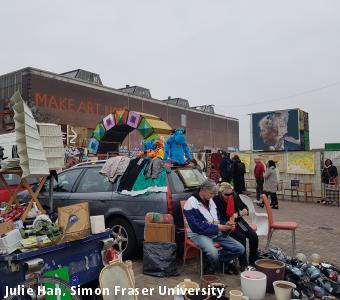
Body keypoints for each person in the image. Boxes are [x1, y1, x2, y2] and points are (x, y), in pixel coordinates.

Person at [184, 179, 245, 274]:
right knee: (213, 252)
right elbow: (197, 227)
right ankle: (214, 267)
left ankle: (216, 262)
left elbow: (216, 219)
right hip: (198, 234)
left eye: (213, 194)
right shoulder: (191, 203)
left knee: (240, 249)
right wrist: (218, 228)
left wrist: (225, 224)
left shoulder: (210, 200)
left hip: (214, 232)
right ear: (203, 189)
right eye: (211, 193)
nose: (212, 196)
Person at [213, 182, 259, 271]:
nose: (229, 196)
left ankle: (252, 262)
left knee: (254, 236)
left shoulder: (234, 195)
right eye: (227, 194)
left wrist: (244, 211)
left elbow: (244, 206)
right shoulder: (216, 200)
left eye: (231, 193)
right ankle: (244, 265)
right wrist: (227, 222)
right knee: (241, 237)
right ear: (221, 193)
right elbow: (217, 217)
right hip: (226, 224)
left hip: (238, 220)